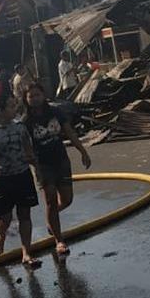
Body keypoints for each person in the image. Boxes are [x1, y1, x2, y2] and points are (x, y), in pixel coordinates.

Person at [22, 84, 91, 256]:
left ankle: (51, 221)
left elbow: (70, 132)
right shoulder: (26, 121)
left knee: (67, 199)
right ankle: (59, 240)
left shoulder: (55, 113)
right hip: (43, 165)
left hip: (61, 160)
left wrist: (82, 151)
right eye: (31, 96)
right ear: (26, 100)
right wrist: (32, 164)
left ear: (43, 95)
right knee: (51, 201)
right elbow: (25, 146)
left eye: (37, 95)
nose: (34, 99)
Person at [0, 96, 41, 269]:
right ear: (0, 110)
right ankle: (1, 235)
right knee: (5, 218)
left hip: (21, 174)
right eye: (11, 106)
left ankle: (26, 253)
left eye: (15, 106)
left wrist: (37, 170)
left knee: (24, 215)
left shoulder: (20, 127)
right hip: (1, 178)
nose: (14, 110)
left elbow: (29, 151)